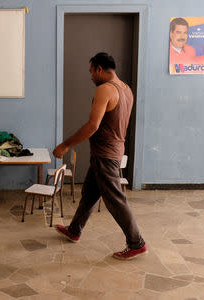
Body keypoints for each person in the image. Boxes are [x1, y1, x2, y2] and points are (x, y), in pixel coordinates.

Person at [53, 52, 147, 260]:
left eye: (91, 72)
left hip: (105, 155)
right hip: (111, 151)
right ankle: (74, 230)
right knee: (89, 194)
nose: (91, 76)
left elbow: (93, 125)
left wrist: (65, 144)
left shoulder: (105, 89)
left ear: (99, 69)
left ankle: (136, 243)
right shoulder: (126, 89)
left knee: (115, 200)